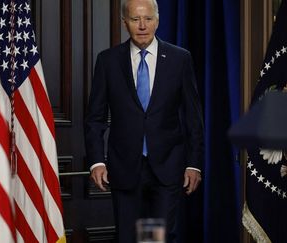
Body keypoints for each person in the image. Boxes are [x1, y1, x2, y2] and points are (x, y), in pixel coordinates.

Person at [84, 0, 204, 242]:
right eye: (135, 19)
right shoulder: (107, 61)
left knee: (156, 239)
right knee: (128, 238)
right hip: (125, 168)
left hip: (167, 169)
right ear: (124, 23)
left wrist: (194, 164)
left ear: (157, 21)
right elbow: (95, 118)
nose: (142, 25)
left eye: (148, 19)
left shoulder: (180, 59)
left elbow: (193, 117)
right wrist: (96, 161)